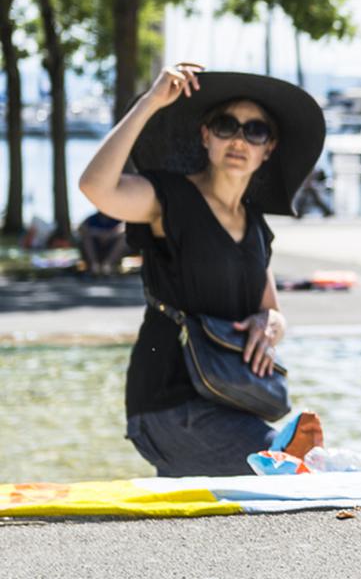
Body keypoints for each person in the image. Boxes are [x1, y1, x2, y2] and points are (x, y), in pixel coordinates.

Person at [77, 63, 325, 477]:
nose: (239, 139)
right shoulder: (169, 198)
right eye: (226, 126)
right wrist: (150, 103)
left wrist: (269, 323)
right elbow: (95, 187)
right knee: (293, 466)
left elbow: (274, 312)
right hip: (167, 403)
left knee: (294, 466)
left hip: (233, 400)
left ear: (269, 149)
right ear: (206, 136)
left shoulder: (256, 226)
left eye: (255, 131)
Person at [77, 211, 128, 276]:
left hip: (112, 246)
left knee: (123, 239)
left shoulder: (116, 217)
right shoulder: (93, 218)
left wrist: (109, 235)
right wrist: (99, 234)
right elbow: (81, 228)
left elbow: (124, 228)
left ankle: (107, 265)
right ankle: (94, 266)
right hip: (96, 247)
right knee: (86, 238)